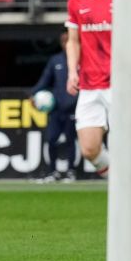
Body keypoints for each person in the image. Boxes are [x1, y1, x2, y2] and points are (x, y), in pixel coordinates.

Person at [65, 0, 112, 177]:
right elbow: (73, 41)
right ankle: (123, 182)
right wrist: (72, 72)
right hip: (90, 83)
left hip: (120, 85)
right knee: (90, 149)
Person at [32, 32, 78, 182]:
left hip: (73, 108)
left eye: (68, 41)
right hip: (56, 108)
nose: (66, 44)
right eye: (63, 41)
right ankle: (53, 171)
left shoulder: (81, 60)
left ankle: (71, 171)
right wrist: (33, 94)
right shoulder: (55, 60)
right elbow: (44, 80)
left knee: (71, 140)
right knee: (51, 139)